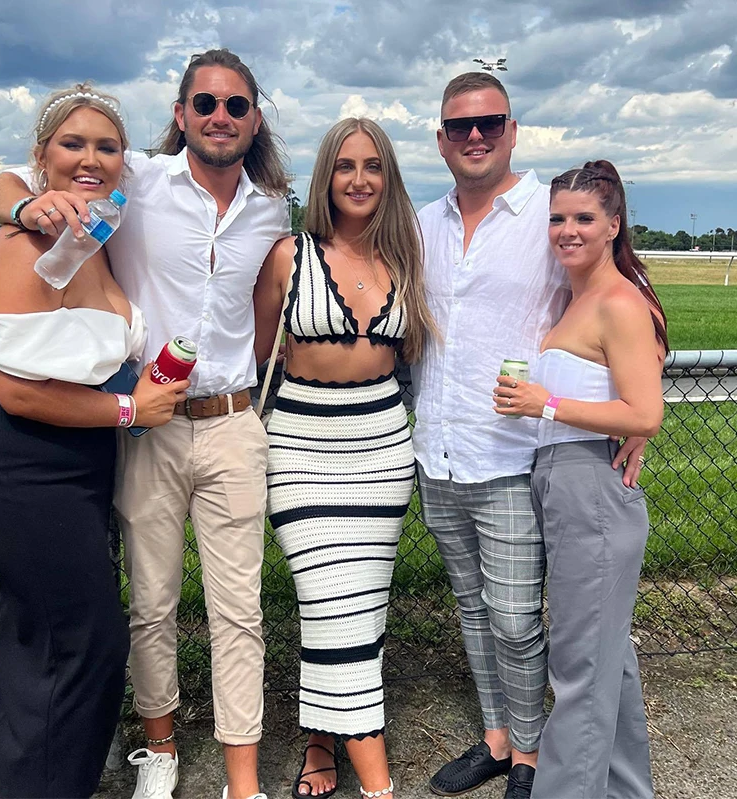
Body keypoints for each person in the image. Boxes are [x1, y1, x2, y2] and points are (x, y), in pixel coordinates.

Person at [0, 50, 289, 799]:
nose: (220, 116)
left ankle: (242, 777)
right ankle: (160, 748)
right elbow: (5, 183)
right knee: (150, 602)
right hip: (150, 425)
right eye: (205, 103)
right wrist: (22, 209)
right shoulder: (136, 177)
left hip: (233, 421)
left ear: (254, 120)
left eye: (236, 105)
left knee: (239, 609)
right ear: (181, 114)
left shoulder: (272, 208)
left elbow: (263, 318)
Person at [0, 85, 187, 799]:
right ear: (42, 156)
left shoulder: (93, 237)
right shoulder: (27, 243)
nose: (91, 159)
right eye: (72, 144)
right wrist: (132, 409)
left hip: (77, 466)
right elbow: (19, 391)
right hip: (22, 466)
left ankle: (15, 781)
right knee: (87, 637)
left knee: (39, 630)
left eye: (107, 147)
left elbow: (2, 183)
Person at [413, 73, 648, 799]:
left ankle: (532, 752)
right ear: (441, 139)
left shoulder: (547, 215)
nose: (475, 135)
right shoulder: (422, 223)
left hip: (515, 455)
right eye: (460, 125)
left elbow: (623, 297)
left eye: (490, 122)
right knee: (473, 609)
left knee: (516, 619)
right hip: (438, 450)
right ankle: (497, 737)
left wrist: (636, 413)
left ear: (512, 131)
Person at [254, 117, 436, 799]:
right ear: (325, 175)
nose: (359, 180)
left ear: (389, 177)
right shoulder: (288, 256)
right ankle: (378, 781)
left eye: (373, 166)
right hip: (303, 448)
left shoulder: (406, 258)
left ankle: (319, 741)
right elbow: (255, 354)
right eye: (345, 166)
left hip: (382, 449)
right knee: (329, 600)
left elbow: (416, 354)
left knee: (361, 608)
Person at [492, 159, 666, 798]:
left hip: (588, 486)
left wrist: (548, 404)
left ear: (613, 224)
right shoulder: (578, 299)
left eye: (584, 218)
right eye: (558, 218)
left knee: (579, 668)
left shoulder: (617, 301)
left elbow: (645, 413)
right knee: (605, 662)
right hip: (561, 482)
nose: (568, 230)